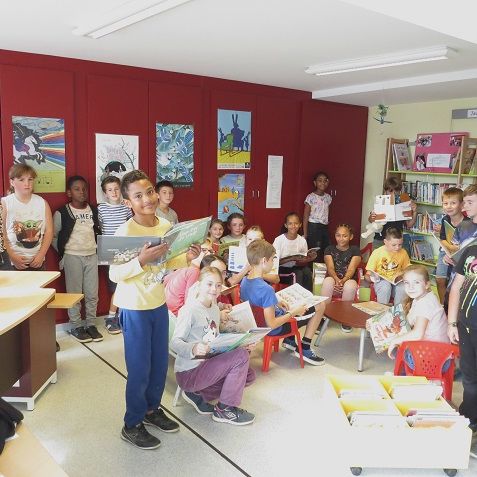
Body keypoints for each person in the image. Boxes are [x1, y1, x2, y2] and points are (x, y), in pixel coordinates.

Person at [109, 170, 199, 450]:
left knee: (159, 364)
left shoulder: (165, 225)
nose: (147, 199)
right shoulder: (124, 232)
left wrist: (188, 257)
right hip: (134, 308)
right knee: (139, 369)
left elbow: (169, 262)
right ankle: (132, 424)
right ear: (128, 202)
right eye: (138, 195)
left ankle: (151, 410)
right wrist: (140, 260)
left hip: (158, 305)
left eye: (149, 192)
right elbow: (114, 274)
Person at [171, 266, 256, 425]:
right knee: (241, 357)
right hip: (189, 372)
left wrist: (241, 344)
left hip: (206, 365)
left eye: (218, 285)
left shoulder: (215, 309)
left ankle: (198, 394)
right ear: (199, 285)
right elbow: (175, 342)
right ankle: (225, 409)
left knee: (248, 375)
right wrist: (193, 348)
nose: (214, 289)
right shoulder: (189, 310)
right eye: (209, 284)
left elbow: (215, 341)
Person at [240, 239, 326, 365]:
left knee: (289, 303)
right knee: (320, 305)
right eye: (272, 259)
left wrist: (276, 302)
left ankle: (290, 340)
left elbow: (258, 302)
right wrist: (293, 313)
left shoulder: (244, 281)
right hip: (274, 329)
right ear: (264, 261)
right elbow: (272, 324)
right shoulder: (266, 289)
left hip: (258, 324)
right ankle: (305, 348)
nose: (273, 263)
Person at [53, 176, 102, 343]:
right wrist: (64, 252)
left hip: (92, 255)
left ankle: (91, 324)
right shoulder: (62, 212)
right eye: (77, 189)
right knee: (74, 294)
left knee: (92, 293)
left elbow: (98, 231)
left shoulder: (93, 210)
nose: (82, 192)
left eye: (84, 189)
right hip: (72, 256)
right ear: (69, 193)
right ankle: (76, 325)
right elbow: (54, 236)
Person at [447, 242, 477, 452]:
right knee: (469, 376)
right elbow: (456, 288)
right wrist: (452, 323)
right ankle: (469, 420)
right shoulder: (471, 251)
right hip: (466, 327)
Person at [387, 265, 449, 361]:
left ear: (427, 284)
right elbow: (407, 323)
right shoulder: (420, 298)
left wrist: (394, 341)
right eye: (406, 283)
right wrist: (377, 325)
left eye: (416, 282)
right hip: (435, 351)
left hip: (434, 357)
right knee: (393, 340)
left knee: (397, 349)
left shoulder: (426, 303)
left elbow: (417, 334)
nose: (411, 287)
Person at [1, 164, 53, 271]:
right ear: (12, 182)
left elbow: (49, 231)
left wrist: (41, 255)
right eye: (21, 180)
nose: (27, 184)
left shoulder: (42, 203)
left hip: (37, 261)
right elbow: (2, 234)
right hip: (11, 262)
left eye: (30, 179)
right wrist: (12, 256)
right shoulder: (5, 203)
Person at [97, 176, 132, 334]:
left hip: (126, 251)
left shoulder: (126, 208)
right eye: (110, 190)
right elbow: (98, 229)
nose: (114, 192)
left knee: (127, 284)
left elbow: (132, 225)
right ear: (105, 193)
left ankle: (123, 316)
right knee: (116, 286)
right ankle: (111, 317)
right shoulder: (101, 209)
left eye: (116, 189)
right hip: (110, 252)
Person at [321, 224, 361, 332]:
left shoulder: (355, 250)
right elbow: (330, 267)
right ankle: (322, 316)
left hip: (348, 279)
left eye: (345, 236)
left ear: (350, 237)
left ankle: (346, 318)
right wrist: (337, 280)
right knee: (327, 281)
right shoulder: (329, 249)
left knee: (350, 285)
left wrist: (343, 281)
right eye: (338, 235)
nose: (341, 238)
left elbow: (351, 269)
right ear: (335, 236)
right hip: (333, 280)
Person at [435, 187, 467, 304]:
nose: (449, 206)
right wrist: (450, 248)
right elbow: (442, 239)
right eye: (445, 203)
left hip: (461, 254)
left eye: (453, 203)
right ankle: (443, 305)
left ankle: (453, 306)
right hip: (446, 250)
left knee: (455, 283)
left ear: (461, 205)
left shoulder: (467, 222)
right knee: (440, 279)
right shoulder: (445, 219)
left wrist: (455, 249)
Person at [368, 177, 417, 250]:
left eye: (396, 191)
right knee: (379, 257)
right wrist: (371, 217)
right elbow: (370, 220)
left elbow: (409, 225)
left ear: (400, 191)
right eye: (390, 191)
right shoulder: (381, 201)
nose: (393, 194)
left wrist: (415, 212)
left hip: (396, 242)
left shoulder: (404, 202)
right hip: (380, 240)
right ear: (385, 191)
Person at [273, 212, 316, 292]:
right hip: (281, 270)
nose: (293, 226)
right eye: (290, 224)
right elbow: (274, 263)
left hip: (296, 267)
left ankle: (308, 297)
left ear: (300, 225)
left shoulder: (302, 240)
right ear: (286, 225)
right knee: (297, 273)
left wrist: (307, 259)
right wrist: (291, 258)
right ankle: (296, 298)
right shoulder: (279, 240)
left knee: (307, 271)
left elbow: (303, 262)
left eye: (296, 223)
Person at [365, 227, 410, 305]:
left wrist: (403, 275)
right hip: (382, 283)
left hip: (396, 284)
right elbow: (367, 275)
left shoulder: (403, 252)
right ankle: (382, 309)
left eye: (400, 245)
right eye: (394, 245)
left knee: (403, 288)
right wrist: (373, 278)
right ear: (385, 242)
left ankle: (398, 310)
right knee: (385, 286)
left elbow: (407, 269)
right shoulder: (377, 252)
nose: (397, 247)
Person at [303, 171, 331, 261]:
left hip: (324, 227)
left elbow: (326, 213)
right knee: (315, 251)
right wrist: (305, 233)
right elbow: (305, 216)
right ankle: (313, 268)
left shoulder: (328, 197)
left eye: (325, 180)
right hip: (313, 227)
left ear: (328, 182)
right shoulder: (311, 197)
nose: (323, 183)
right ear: (315, 183)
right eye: (320, 180)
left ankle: (323, 268)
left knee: (325, 249)